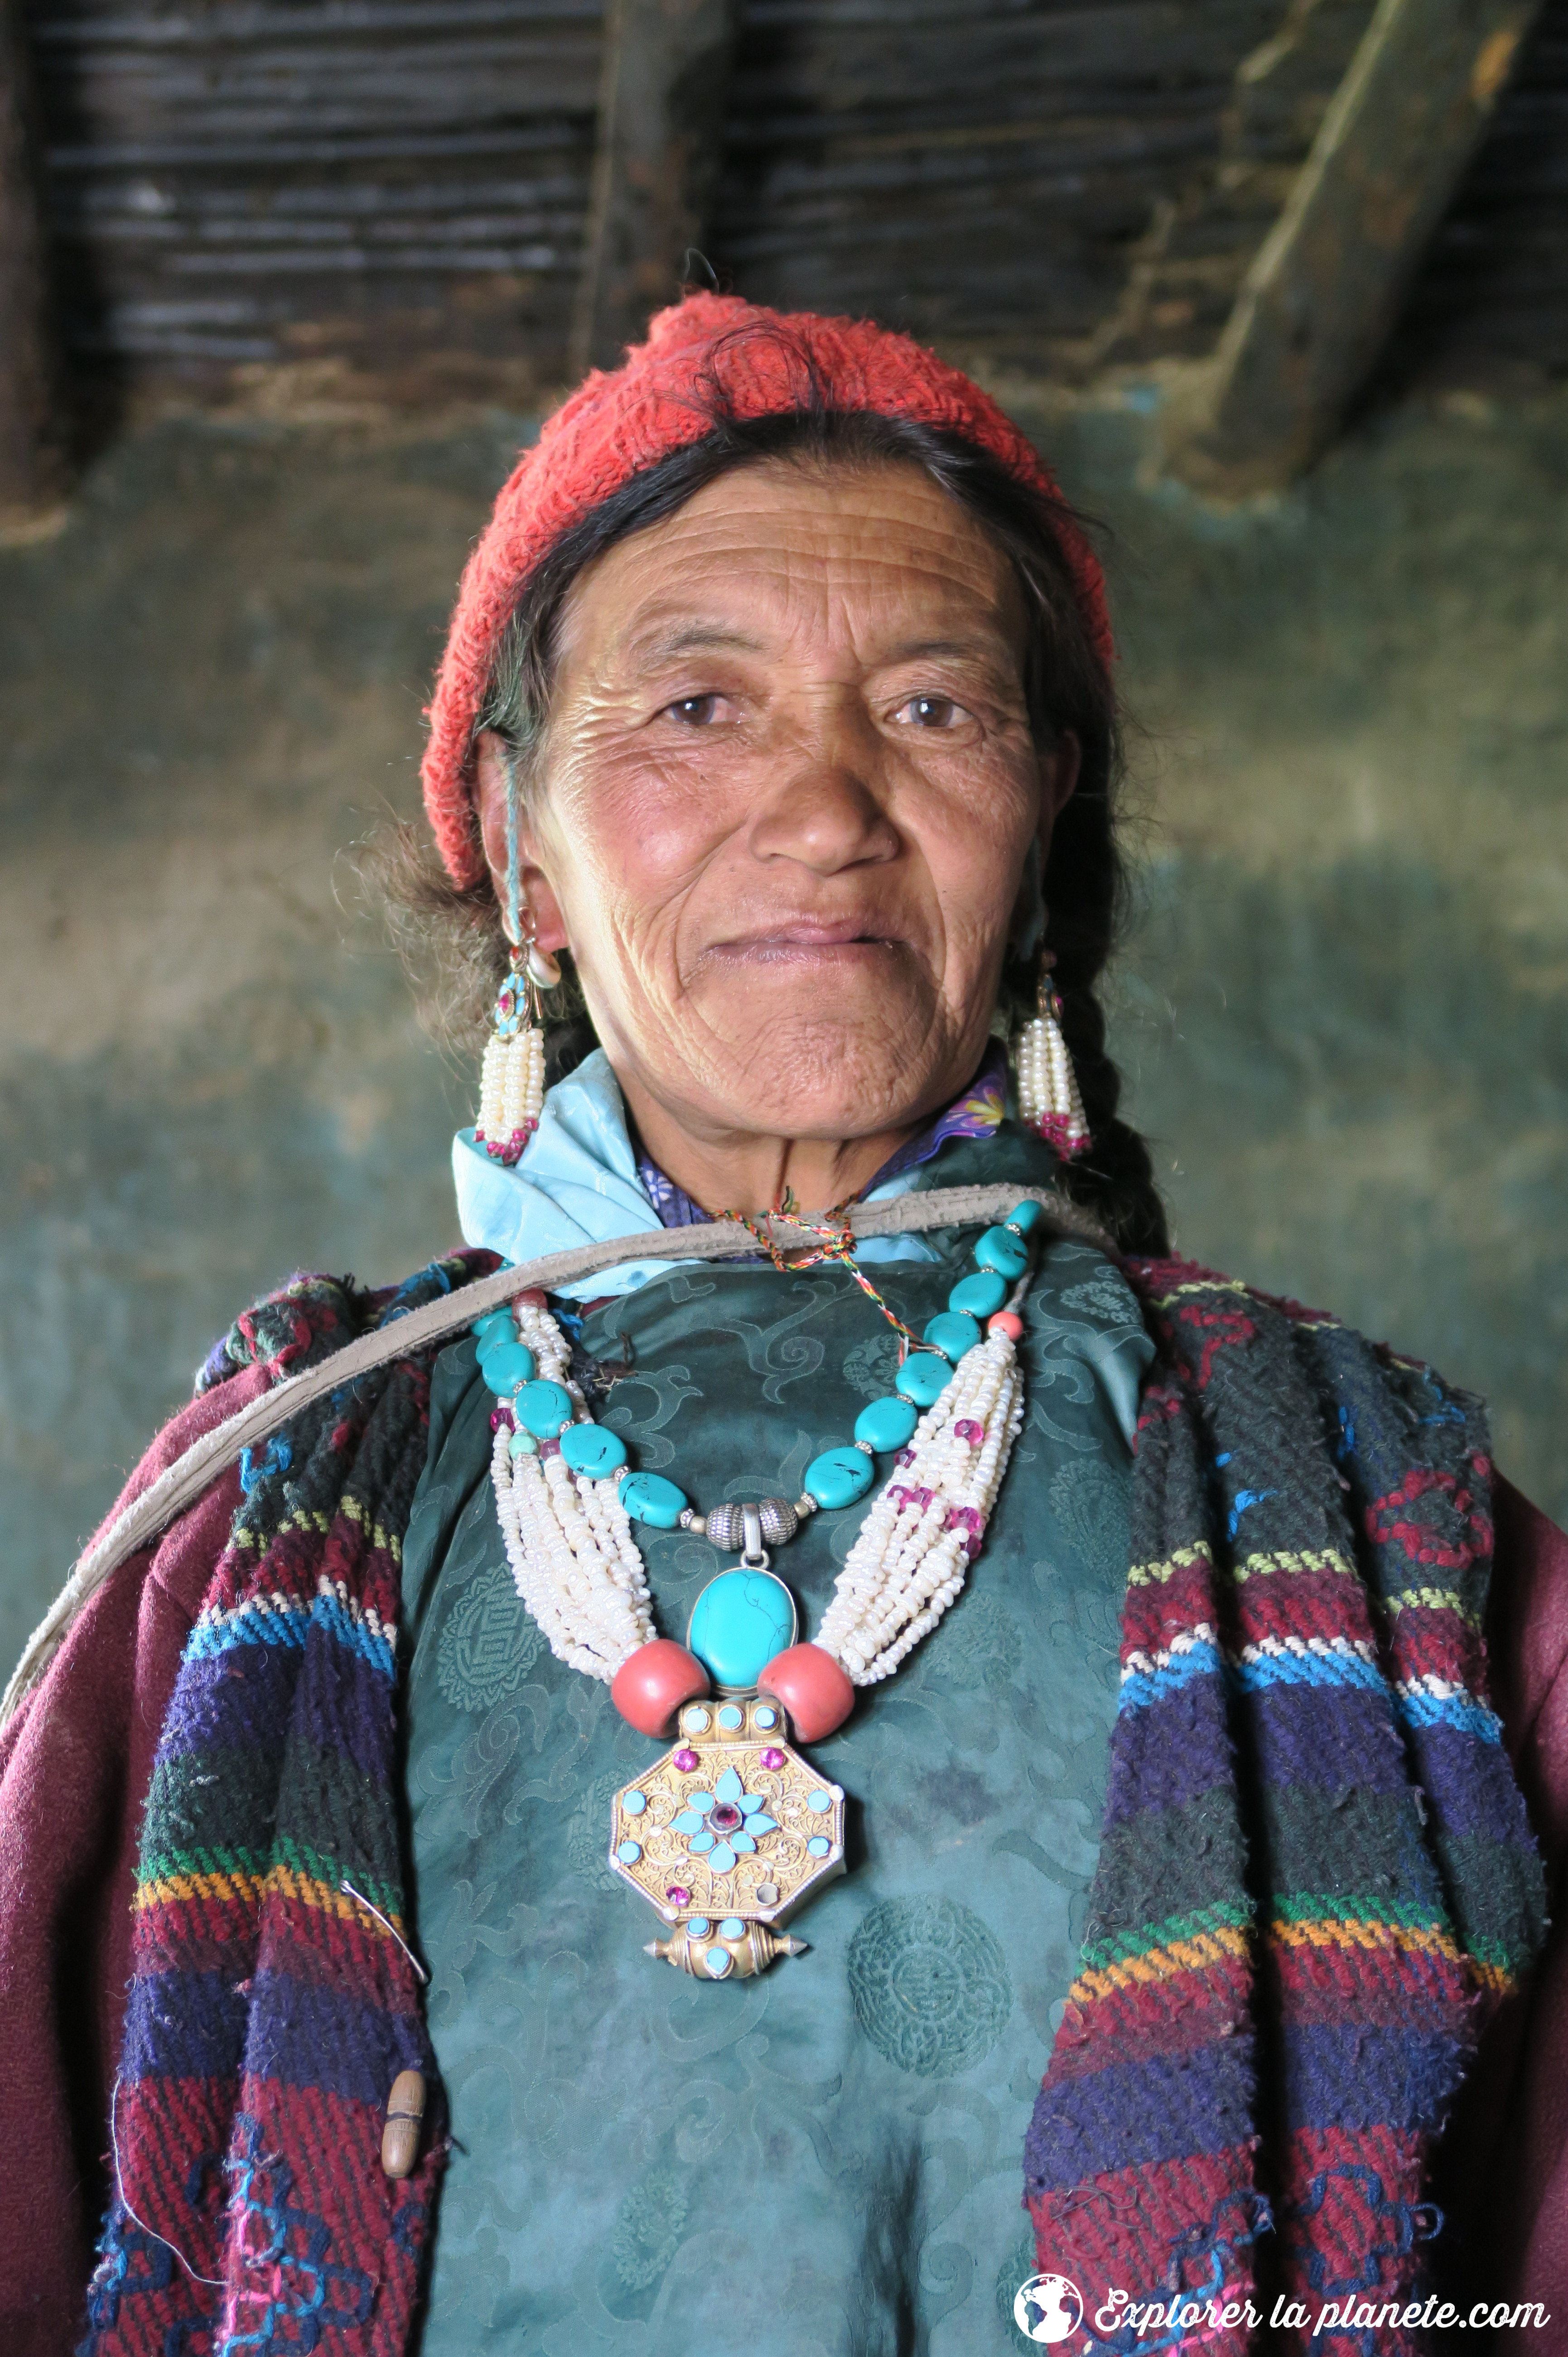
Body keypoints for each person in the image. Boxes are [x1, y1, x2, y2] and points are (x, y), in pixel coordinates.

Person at [0, 295, 1563, 2357]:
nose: (823, 809)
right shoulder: (283, 1482)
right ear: (525, 846)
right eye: (694, 709)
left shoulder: (1359, 1487)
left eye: (931, 710)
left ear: (1039, 831)